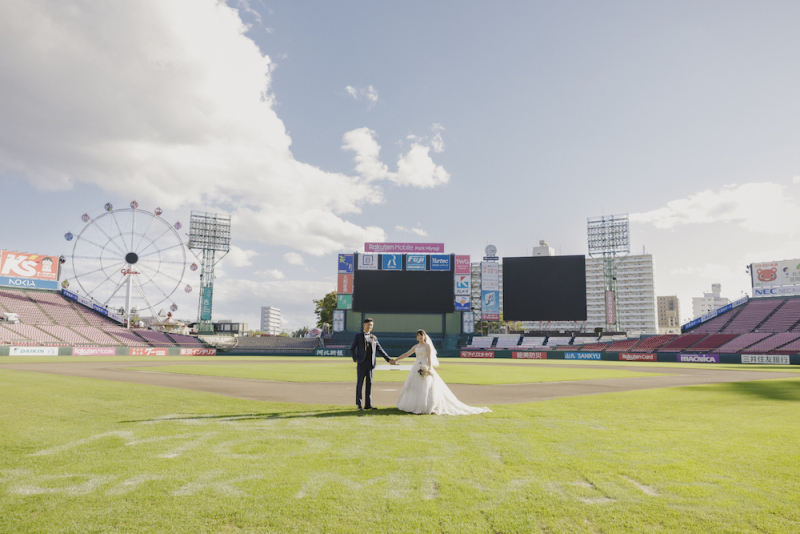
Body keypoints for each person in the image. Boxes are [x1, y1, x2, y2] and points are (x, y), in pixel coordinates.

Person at [392, 330, 491, 416]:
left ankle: (426, 406)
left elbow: (429, 358)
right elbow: (406, 354)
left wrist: (429, 368)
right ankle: (414, 405)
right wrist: (396, 359)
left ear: (424, 336)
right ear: (417, 337)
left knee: (426, 387)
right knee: (414, 386)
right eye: (418, 335)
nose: (420, 337)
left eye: (422, 335)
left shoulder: (427, 346)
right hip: (416, 366)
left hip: (425, 365)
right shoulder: (416, 346)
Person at [350, 318, 392, 411]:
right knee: (360, 384)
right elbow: (352, 349)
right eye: (368, 325)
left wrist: (389, 359)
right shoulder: (358, 336)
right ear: (364, 325)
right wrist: (355, 359)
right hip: (361, 363)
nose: (369, 327)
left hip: (370, 365)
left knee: (369, 384)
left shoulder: (374, 337)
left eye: (371, 325)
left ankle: (368, 405)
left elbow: (380, 350)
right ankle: (359, 404)